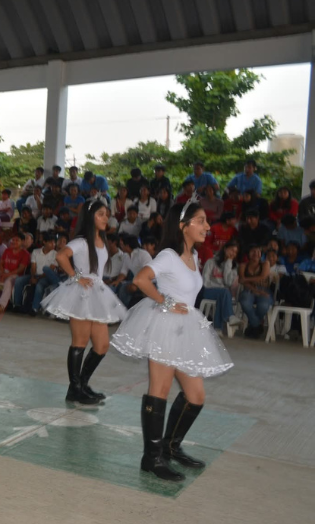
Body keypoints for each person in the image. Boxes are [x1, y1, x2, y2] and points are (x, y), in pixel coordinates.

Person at [110, 200, 232, 482]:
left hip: (186, 329)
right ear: (183, 226)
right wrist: (164, 301)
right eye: (201, 221)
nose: (207, 226)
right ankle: (151, 458)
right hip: (165, 326)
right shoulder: (168, 255)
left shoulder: (195, 256)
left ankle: (170, 447)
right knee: (160, 389)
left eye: (206, 221)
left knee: (196, 396)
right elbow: (141, 279)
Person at [41, 198, 126, 405]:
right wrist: (76, 276)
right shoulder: (81, 242)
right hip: (81, 294)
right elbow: (61, 256)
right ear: (90, 217)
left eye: (106, 215)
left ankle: (81, 385)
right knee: (80, 341)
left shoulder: (102, 241)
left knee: (102, 345)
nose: (105, 218)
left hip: (97, 292)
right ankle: (75, 389)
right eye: (100, 214)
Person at [202, 240, 241, 332]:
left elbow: (228, 283)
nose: (233, 253)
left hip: (222, 293)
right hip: (208, 290)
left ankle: (217, 328)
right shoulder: (211, 262)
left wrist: (228, 263)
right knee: (224, 292)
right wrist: (219, 287)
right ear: (225, 249)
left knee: (222, 295)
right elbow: (205, 281)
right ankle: (230, 316)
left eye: (235, 252)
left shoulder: (233, 267)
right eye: (231, 250)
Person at [20, 232, 60, 315]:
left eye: (54, 242)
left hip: (47, 277)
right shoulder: (36, 252)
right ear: (44, 242)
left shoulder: (55, 254)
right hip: (35, 275)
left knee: (39, 284)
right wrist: (33, 277)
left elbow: (50, 270)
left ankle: (34, 308)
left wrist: (37, 279)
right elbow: (33, 267)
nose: (53, 244)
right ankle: (17, 305)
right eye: (50, 242)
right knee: (19, 280)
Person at [238, 245, 272, 338]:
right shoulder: (243, 265)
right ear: (248, 253)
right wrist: (255, 290)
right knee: (245, 302)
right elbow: (242, 281)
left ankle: (252, 326)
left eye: (258, 252)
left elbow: (263, 277)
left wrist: (246, 279)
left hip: (264, 289)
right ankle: (257, 325)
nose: (256, 254)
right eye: (253, 251)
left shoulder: (265, 264)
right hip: (249, 289)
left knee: (263, 306)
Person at [0, 234, 30, 313]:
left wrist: (5, 275)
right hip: (4, 272)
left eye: (17, 240)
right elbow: (1, 263)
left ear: (22, 242)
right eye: (13, 240)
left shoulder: (25, 254)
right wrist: (1, 272)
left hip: (15, 275)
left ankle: (1, 305)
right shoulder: (7, 250)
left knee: (8, 282)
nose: (14, 242)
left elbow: (20, 269)